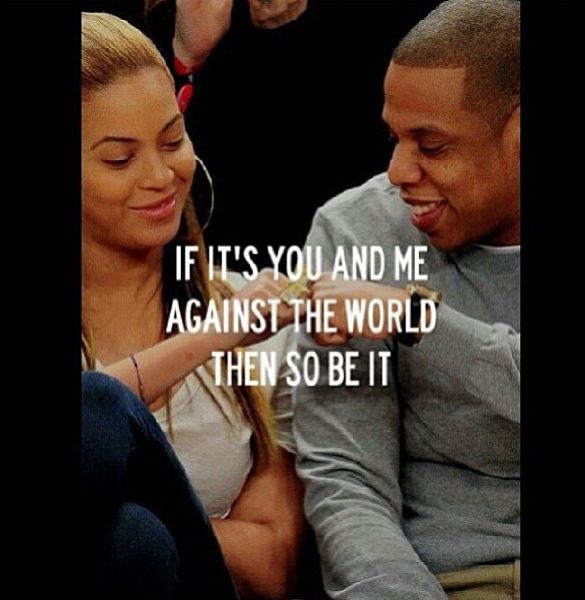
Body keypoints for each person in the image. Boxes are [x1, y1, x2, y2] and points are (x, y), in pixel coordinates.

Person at [294, 0, 520, 598]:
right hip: (448, 579)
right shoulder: (353, 232)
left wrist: (414, 316)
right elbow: (346, 480)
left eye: (432, 146)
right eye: (394, 138)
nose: (397, 171)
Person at [82, 12, 305, 599]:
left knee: (136, 542)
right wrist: (209, 337)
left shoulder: (255, 314)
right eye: (120, 159)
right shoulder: (235, 324)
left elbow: (270, 565)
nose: (162, 176)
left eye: (173, 140)